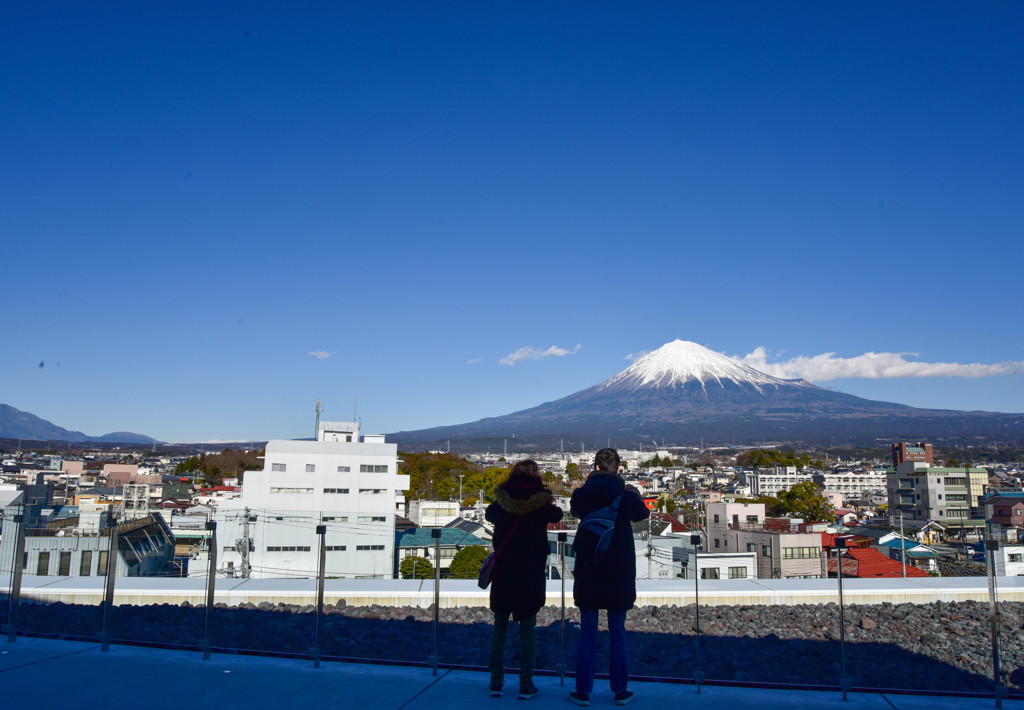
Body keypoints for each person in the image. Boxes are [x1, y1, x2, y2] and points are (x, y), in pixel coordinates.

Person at [569, 448, 650, 707]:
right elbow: (643, 514)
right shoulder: (625, 496)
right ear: (618, 468)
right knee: (617, 630)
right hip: (619, 570)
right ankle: (620, 690)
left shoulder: (582, 494)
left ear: (595, 467)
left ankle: (583, 691)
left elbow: (575, 510)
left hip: (589, 569)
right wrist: (633, 492)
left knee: (588, 632)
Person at [484, 459, 564, 700]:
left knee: (500, 626)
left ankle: (496, 682)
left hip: (504, 570)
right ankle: (525, 684)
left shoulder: (502, 500)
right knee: (528, 628)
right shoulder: (541, 502)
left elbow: (490, 515)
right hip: (530, 571)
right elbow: (558, 513)